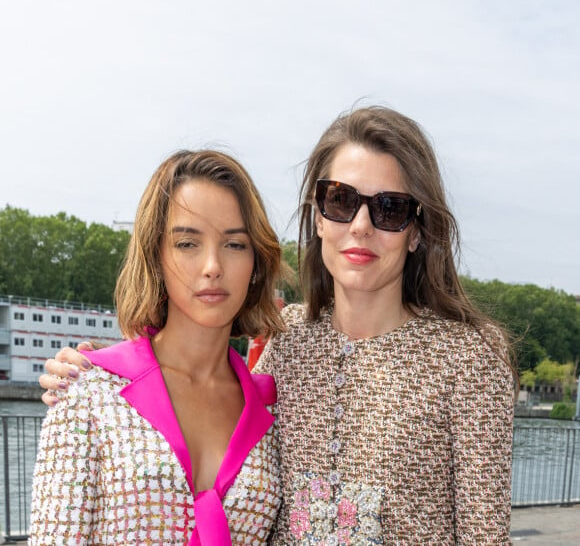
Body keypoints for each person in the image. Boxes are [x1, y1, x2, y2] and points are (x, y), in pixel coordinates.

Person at [40, 106, 516, 544]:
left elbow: (484, 536)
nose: (361, 226)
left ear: (416, 230)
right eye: (342, 200)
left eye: (390, 208)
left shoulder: (469, 358)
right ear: (318, 215)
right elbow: (193, 379)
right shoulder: (289, 340)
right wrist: (101, 368)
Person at [29, 150, 285, 545]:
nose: (212, 266)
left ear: (256, 265)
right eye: (187, 243)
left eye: (234, 245)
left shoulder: (272, 413)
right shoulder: (89, 392)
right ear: (156, 256)